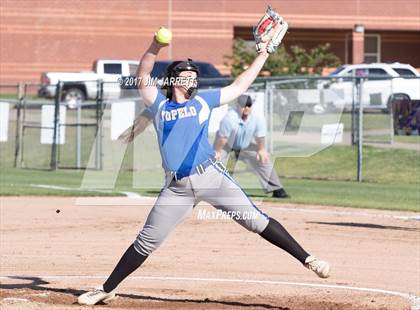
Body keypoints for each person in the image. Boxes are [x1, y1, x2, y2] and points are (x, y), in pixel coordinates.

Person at [78, 33, 330, 306]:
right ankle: (106, 288)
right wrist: (155, 46)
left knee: (255, 221)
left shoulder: (203, 101)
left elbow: (240, 84)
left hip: (211, 176)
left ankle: (308, 259)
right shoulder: (159, 105)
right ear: (173, 79)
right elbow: (143, 73)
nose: (192, 79)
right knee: (146, 242)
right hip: (176, 189)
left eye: (194, 76)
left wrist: (264, 53)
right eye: (186, 75)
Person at [214, 94, 289, 198]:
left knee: (263, 159)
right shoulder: (229, 118)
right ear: (238, 106)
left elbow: (260, 137)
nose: (246, 108)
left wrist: (261, 150)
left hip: (245, 145)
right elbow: (222, 138)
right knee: (214, 163)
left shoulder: (257, 118)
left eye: (249, 106)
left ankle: (277, 189)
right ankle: (211, 189)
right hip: (225, 145)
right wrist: (217, 152)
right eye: (244, 106)